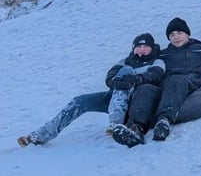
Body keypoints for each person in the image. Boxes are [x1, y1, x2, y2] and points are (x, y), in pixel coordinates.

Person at [17, 33, 164, 147]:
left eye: (146, 47)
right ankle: (40, 135)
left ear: (152, 48)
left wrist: (136, 79)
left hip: (139, 100)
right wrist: (117, 81)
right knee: (79, 101)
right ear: (133, 48)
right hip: (115, 98)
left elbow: (155, 76)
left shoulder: (157, 61)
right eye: (138, 46)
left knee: (126, 73)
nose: (142, 49)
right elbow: (110, 77)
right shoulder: (124, 61)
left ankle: (116, 124)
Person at [117, 18, 201, 146]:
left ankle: (164, 121)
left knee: (176, 79)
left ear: (187, 34)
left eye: (179, 33)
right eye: (172, 35)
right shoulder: (163, 54)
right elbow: (145, 65)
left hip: (191, 87)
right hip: (166, 89)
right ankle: (136, 128)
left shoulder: (198, 50)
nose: (176, 37)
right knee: (145, 88)